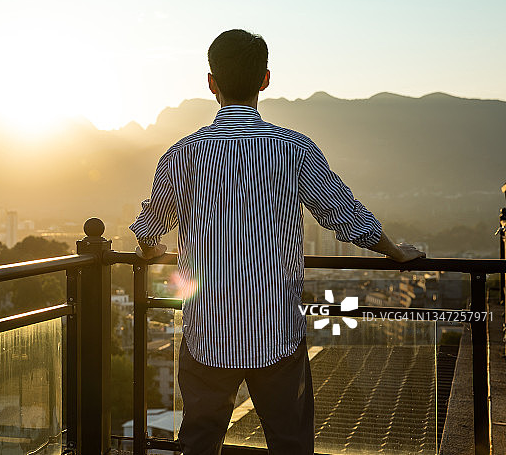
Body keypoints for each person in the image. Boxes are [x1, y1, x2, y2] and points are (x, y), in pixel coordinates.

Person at [129, 29, 426, 455]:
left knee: (199, 441)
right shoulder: (294, 149)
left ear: (211, 83)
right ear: (265, 80)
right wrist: (398, 252)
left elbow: (147, 230)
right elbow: (346, 216)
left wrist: (151, 253)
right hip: (277, 333)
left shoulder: (180, 154)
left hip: (206, 334)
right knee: (290, 444)